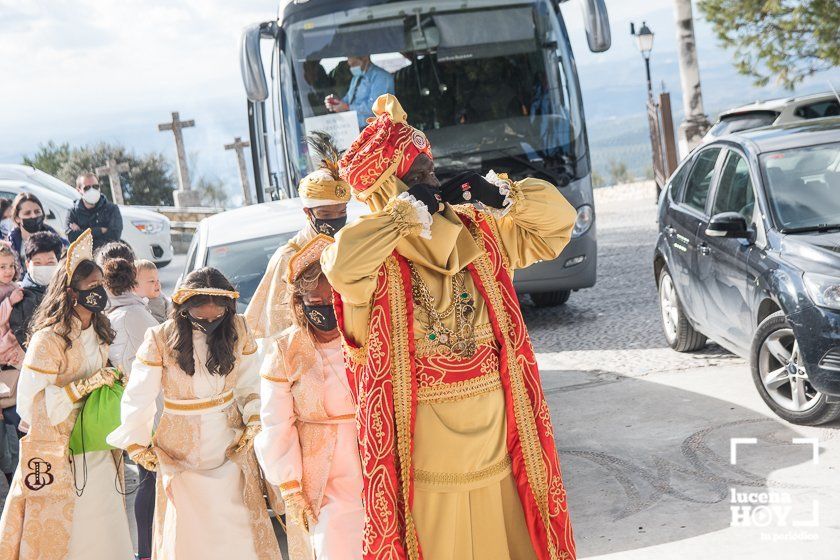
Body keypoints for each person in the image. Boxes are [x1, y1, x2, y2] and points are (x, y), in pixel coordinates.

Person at [321, 94, 578, 560]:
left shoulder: (479, 230)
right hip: (427, 463)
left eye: (429, 168)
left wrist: (502, 195)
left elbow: (559, 226)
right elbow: (341, 266)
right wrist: (402, 216)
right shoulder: (371, 259)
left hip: (502, 442)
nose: (431, 180)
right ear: (387, 187)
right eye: (415, 175)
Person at [106, 267, 281, 560]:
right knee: (190, 531)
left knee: (237, 526)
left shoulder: (238, 328)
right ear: (185, 309)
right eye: (201, 317)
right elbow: (139, 394)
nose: (210, 322)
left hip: (230, 443)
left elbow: (251, 382)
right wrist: (136, 442)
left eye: (217, 316)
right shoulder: (160, 338)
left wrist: (253, 420)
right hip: (180, 451)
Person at [0, 228, 134, 559]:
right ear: (71, 293)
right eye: (92, 287)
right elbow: (32, 408)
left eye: (102, 285)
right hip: (62, 455)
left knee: (106, 530)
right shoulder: (50, 340)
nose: (100, 292)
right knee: (74, 537)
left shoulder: (100, 330)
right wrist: (83, 387)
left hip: (99, 445)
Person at [256, 237, 363, 560]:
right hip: (323, 475)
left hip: (375, 460)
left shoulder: (367, 334)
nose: (324, 309)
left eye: (332, 300)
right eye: (314, 303)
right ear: (299, 303)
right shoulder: (285, 350)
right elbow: (275, 422)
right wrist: (289, 484)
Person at [245, 132, 351, 349]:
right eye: (326, 215)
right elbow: (278, 323)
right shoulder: (288, 257)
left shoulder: (353, 243)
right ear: (308, 212)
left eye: (341, 212)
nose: (335, 221)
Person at [101, 254, 158, 560]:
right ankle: (147, 550)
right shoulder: (134, 316)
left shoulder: (119, 314)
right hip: (147, 406)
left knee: (149, 478)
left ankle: (149, 549)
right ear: (131, 283)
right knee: (150, 479)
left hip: (138, 404)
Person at [9, 232, 63, 349]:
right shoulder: (21, 298)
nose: (44, 267)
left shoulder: (66, 291)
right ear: (27, 264)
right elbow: (24, 340)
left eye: (50, 262)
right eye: (37, 263)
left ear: (58, 263)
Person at [0, 242, 24, 486]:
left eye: (10, 266)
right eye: (2, 267)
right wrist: (10, 302)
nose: (7, 271)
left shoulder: (17, 286)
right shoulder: (9, 292)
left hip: (17, 358)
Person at [324, 55, 395, 128]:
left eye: (354, 64)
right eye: (350, 66)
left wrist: (347, 107)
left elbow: (375, 108)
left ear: (365, 59)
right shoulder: (356, 77)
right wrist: (336, 102)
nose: (352, 68)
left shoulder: (381, 77)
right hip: (355, 127)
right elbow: (349, 98)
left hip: (375, 129)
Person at [8, 192, 67, 269]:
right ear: (17, 218)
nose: (33, 216)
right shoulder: (11, 243)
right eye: (27, 213)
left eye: (37, 212)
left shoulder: (56, 240)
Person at [66, 172, 123, 249]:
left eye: (95, 186)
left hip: (105, 256)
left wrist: (82, 233)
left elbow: (114, 237)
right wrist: (100, 230)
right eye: (87, 188)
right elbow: (71, 237)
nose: (92, 190)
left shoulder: (111, 209)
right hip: (83, 258)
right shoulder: (73, 212)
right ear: (79, 190)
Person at [135, 259, 171, 324]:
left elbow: (172, 311)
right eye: (152, 281)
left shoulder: (161, 296)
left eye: (158, 280)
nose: (157, 284)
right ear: (136, 286)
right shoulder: (138, 304)